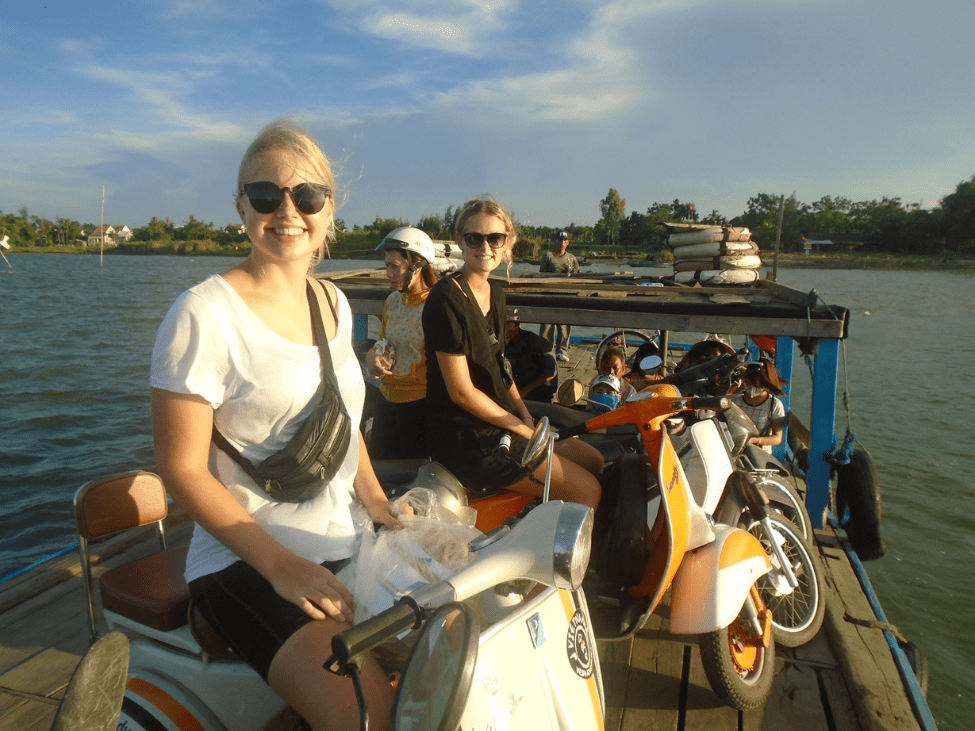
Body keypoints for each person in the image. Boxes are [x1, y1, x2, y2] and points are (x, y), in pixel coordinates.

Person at [150, 120, 400, 731]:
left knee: (446, 654)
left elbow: (342, 420)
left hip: (345, 541)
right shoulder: (203, 315)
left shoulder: (334, 303)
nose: (287, 211)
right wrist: (283, 567)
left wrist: (381, 507)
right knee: (364, 713)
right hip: (245, 560)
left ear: (329, 208)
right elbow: (181, 468)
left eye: (306, 195)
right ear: (242, 208)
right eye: (265, 195)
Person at [422, 195, 602, 509]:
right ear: (459, 241)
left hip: (502, 421)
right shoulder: (446, 298)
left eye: (495, 238)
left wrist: (526, 416)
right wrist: (520, 428)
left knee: (594, 460)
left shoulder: (496, 293)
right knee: (586, 491)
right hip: (470, 438)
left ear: (508, 242)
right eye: (474, 238)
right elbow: (461, 392)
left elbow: (501, 367)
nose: (485, 247)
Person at [364, 227, 438, 459]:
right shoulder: (392, 301)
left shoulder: (437, 304)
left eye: (394, 266)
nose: (388, 273)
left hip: (419, 405)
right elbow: (383, 340)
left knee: (412, 477)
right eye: (387, 266)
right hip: (387, 398)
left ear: (418, 265)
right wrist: (371, 357)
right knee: (380, 469)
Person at [538, 230, 580, 362]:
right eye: (559, 240)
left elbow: (578, 276)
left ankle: (562, 351)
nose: (562, 242)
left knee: (564, 325)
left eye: (564, 240)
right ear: (555, 241)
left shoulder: (572, 258)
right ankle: (546, 351)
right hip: (548, 296)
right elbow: (541, 274)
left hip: (565, 296)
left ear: (567, 242)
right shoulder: (548, 256)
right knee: (546, 326)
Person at [732, 356, 788, 453]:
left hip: (759, 453)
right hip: (734, 447)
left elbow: (777, 438)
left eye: (757, 385)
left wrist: (756, 441)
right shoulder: (736, 398)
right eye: (749, 383)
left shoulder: (774, 405)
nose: (752, 388)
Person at [504, 319, 558, 403]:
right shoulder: (506, 345)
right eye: (504, 331)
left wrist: (526, 390)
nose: (507, 333)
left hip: (541, 396)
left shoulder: (538, 343)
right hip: (517, 395)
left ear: (517, 326)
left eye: (510, 330)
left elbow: (550, 373)